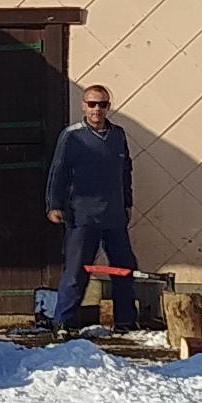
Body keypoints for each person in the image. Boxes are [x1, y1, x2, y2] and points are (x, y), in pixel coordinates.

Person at [45, 83, 136, 330]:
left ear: (108, 107)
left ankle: (126, 322)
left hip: (115, 215)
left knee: (124, 268)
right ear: (84, 106)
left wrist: (128, 202)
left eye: (102, 104)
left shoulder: (118, 135)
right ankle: (63, 323)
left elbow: (126, 171)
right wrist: (54, 204)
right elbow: (58, 171)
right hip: (82, 215)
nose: (97, 109)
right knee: (76, 271)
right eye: (92, 104)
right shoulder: (72, 136)